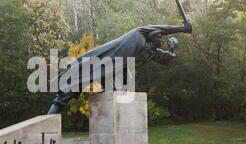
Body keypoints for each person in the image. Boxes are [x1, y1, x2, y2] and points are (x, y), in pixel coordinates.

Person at [47, 22, 192, 115]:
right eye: (159, 38)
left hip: (114, 73)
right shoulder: (139, 34)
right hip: (102, 62)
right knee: (69, 89)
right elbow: (164, 28)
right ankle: (48, 126)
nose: (161, 40)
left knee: (119, 90)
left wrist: (172, 49)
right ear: (152, 37)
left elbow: (167, 60)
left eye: (161, 40)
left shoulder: (150, 53)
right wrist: (182, 29)